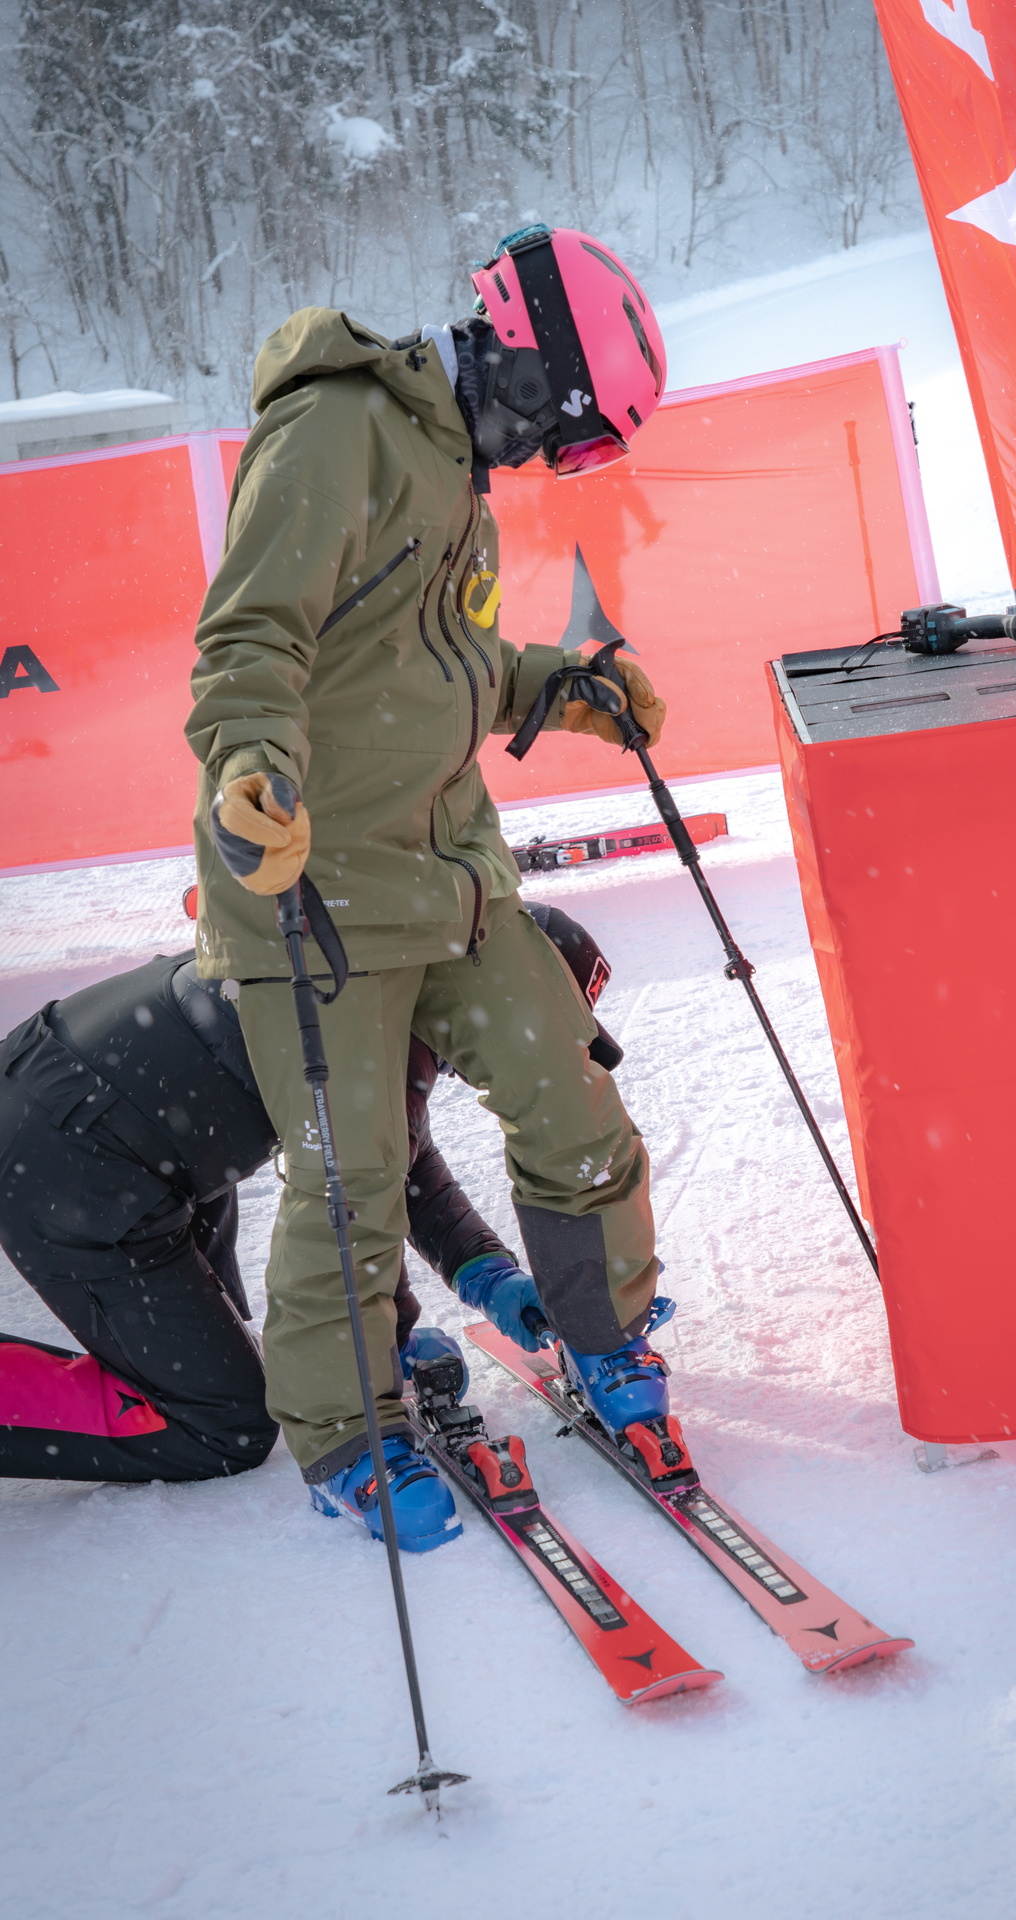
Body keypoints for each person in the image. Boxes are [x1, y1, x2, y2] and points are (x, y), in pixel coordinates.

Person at [184, 223, 676, 1553]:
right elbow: (250, 639)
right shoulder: (336, 431)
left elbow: (436, 666)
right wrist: (251, 771)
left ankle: (606, 1338)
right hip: (314, 881)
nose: (553, 461)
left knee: (571, 1096)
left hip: (448, 866)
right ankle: (349, 1433)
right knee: (351, 1177)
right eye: (567, 433)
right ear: (524, 355)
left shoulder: (459, 475)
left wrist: (561, 686)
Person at [0, 903, 619, 1539]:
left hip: (93, 1096)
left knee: (225, 1337)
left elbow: (394, 1165)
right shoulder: (378, 1040)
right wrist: (390, 1335)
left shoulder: (381, 977)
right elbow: (358, 1199)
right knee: (223, 1422)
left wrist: (483, 1275)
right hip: (71, 1160)